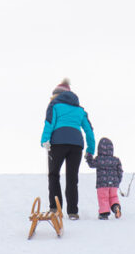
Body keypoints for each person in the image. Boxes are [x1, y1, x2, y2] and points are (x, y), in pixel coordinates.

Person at [40, 78, 95, 219]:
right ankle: (72, 212)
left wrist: (44, 141)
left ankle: (55, 209)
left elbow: (49, 123)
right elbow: (89, 131)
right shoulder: (80, 110)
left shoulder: (54, 105)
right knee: (72, 178)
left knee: (54, 175)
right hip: (76, 145)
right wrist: (90, 149)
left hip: (57, 144)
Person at [85, 137, 124, 219]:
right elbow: (120, 171)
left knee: (103, 198)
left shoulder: (99, 159)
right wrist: (118, 181)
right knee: (113, 197)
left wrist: (89, 157)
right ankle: (116, 207)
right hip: (114, 184)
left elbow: (91, 164)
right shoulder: (116, 160)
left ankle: (104, 214)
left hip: (102, 184)